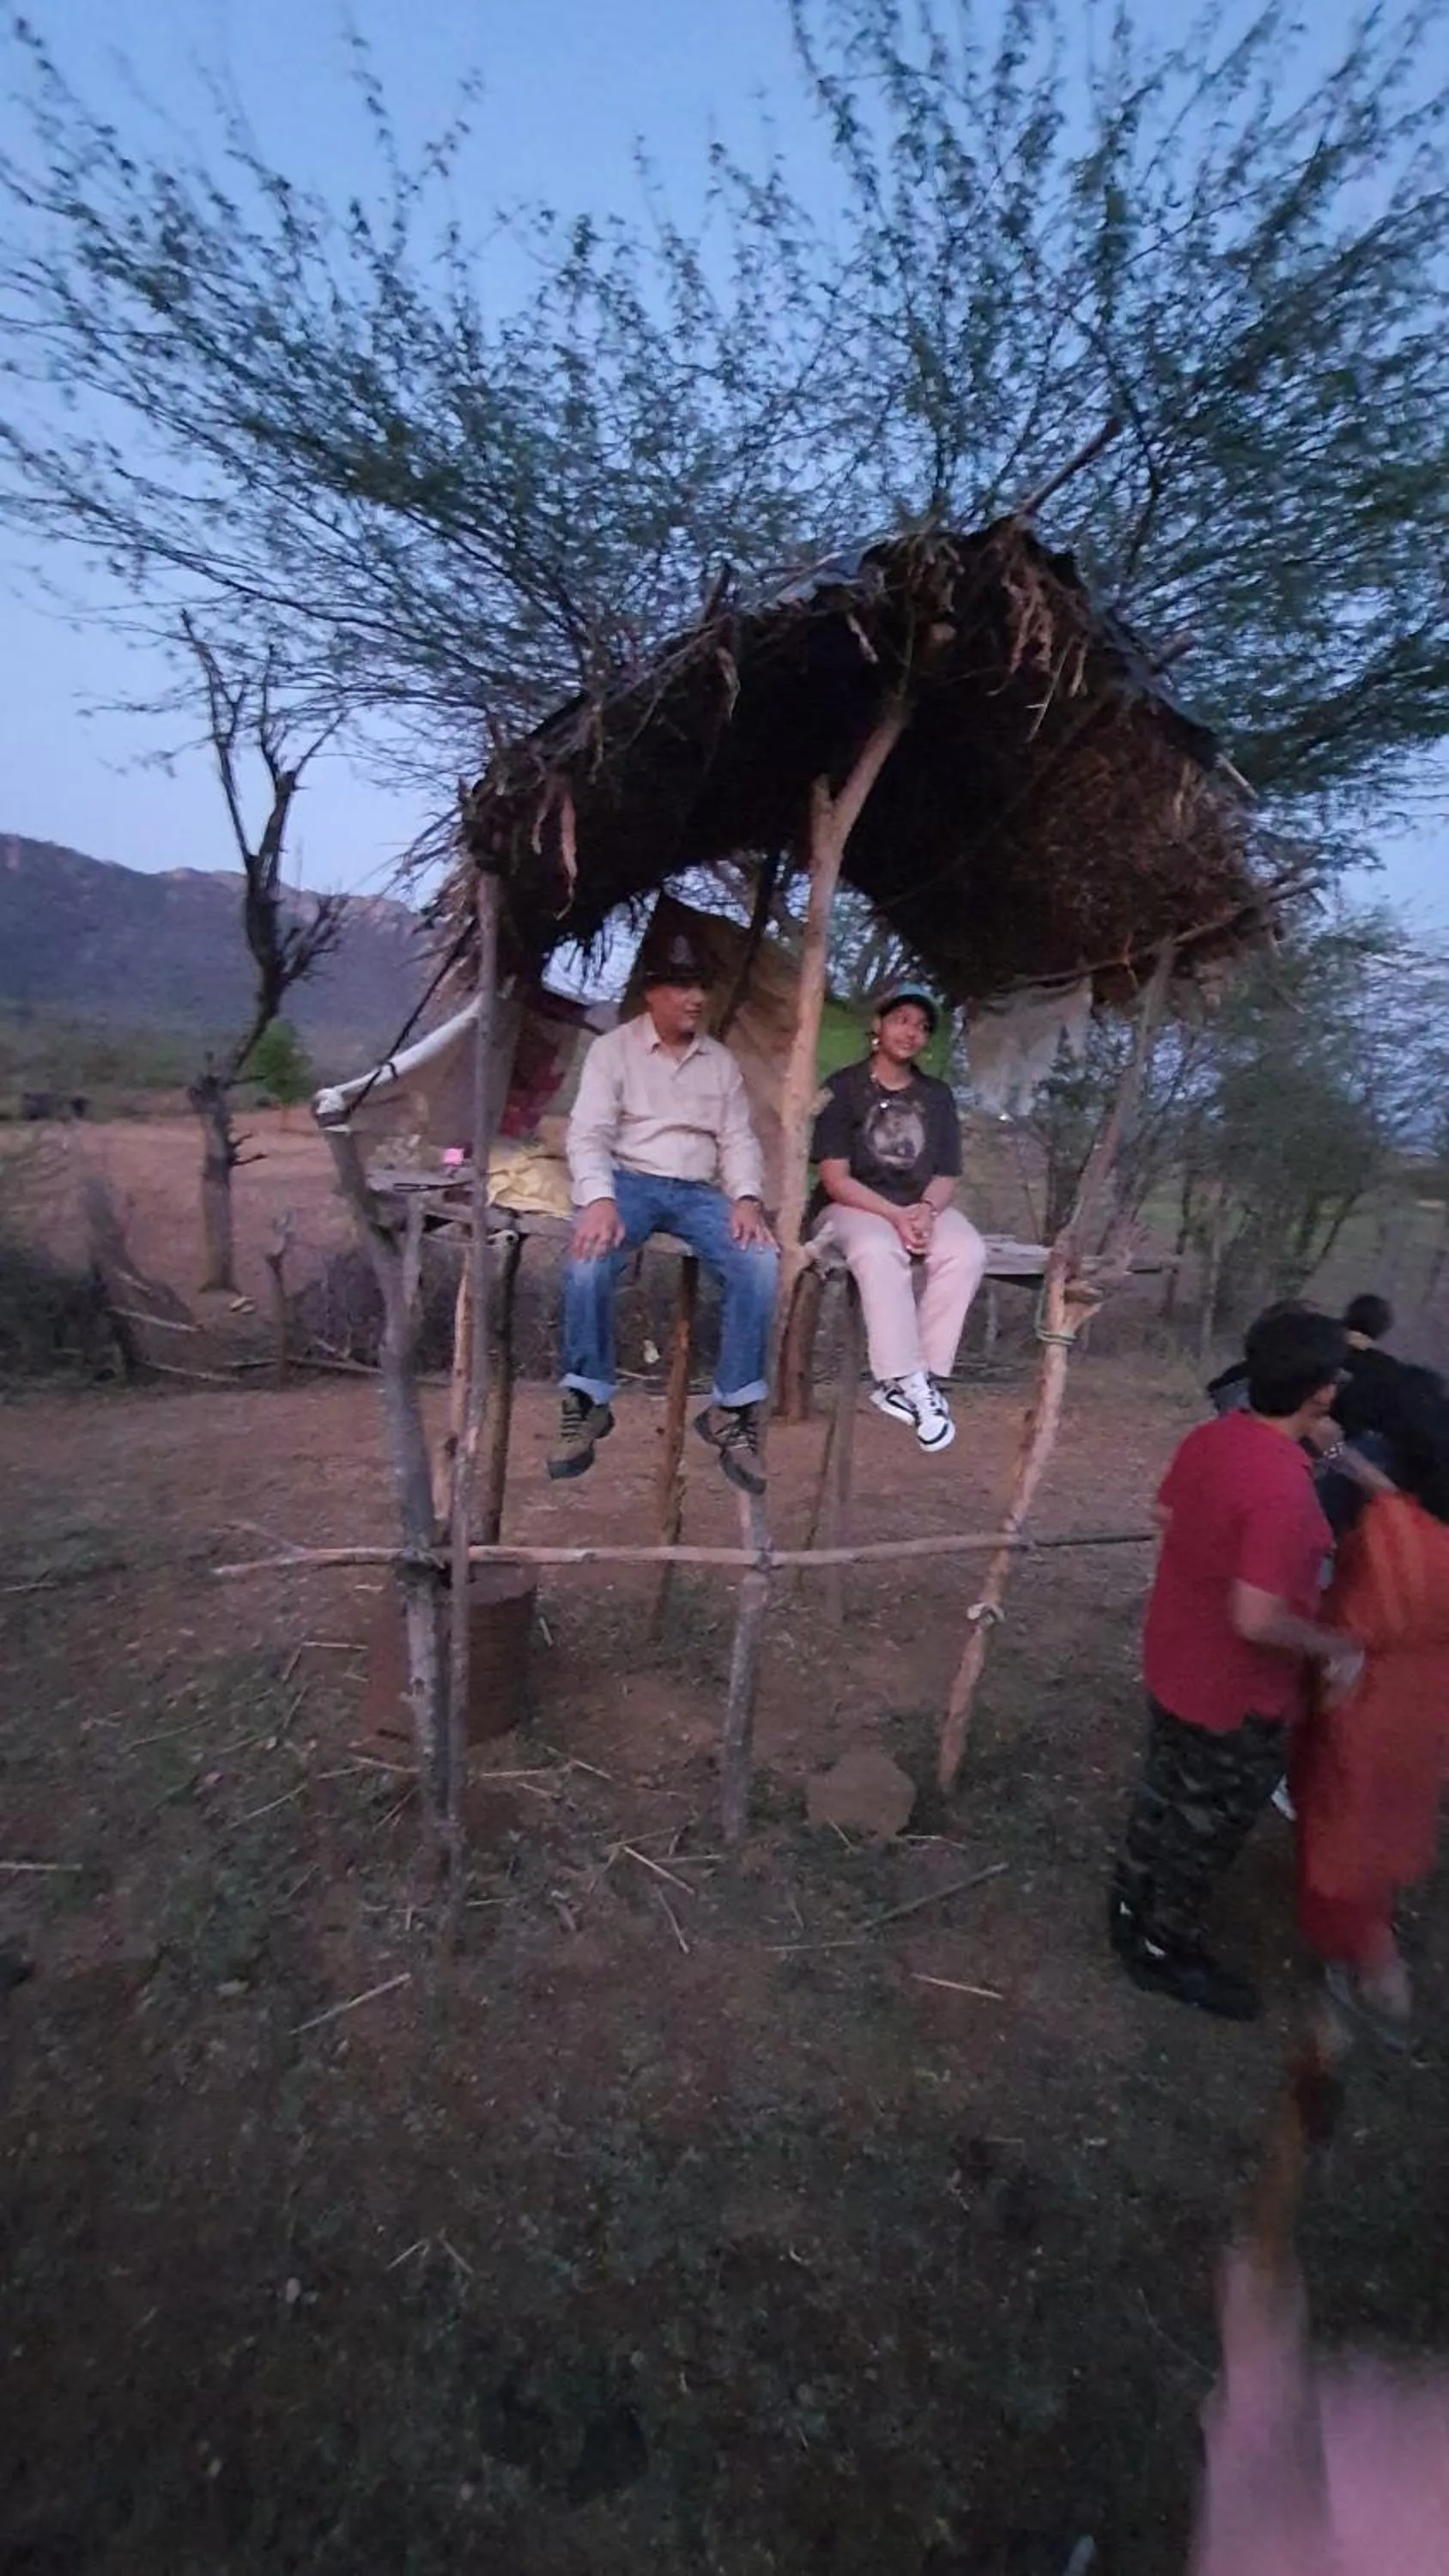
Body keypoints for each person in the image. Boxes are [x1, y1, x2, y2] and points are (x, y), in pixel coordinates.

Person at [1110, 1304, 1362, 2021]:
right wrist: (1337, 1646)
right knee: (1204, 1827)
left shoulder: (1215, 1438)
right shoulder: (1282, 1488)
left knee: (1160, 1794)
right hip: (1235, 1696)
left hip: (1175, 1660)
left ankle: (1127, 1908)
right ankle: (1162, 1947)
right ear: (1321, 1392)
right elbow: (1256, 1619)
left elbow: (1166, 1516)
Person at [550, 928, 779, 1494]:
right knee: (586, 1260)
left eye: (700, 986)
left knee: (760, 1260)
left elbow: (739, 1139)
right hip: (630, 1181)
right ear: (652, 993)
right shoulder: (614, 1051)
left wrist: (747, 1196)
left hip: (698, 1191)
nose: (695, 998)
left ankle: (732, 1408)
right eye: (681, 986)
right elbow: (588, 1134)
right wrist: (599, 1198)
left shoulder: (720, 1062)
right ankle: (588, 1400)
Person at [1294, 1432, 1449, 2046]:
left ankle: (1376, 1972)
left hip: (1364, 1701)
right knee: (1387, 1823)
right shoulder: (1409, 1527)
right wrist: (1351, 1463)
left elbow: (1352, 1628)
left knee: (1342, 1827)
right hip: (1427, 1710)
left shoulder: (1392, 1534)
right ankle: (1371, 1952)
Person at [807, 986, 985, 1454]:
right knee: (876, 1248)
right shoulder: (843, 1088)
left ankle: (915, 1380)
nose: (911, 1032)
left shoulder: (937, 1096)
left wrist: (925, 1211)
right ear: (878, 1025)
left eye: (922, 1026)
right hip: (851, 1206)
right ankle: (902, 1374)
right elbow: (834, 1177)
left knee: (966, 1250)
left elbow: (947, 1174)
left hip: (916, 1205)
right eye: (901, 1019)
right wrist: (895, 1216)